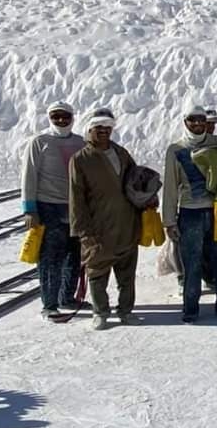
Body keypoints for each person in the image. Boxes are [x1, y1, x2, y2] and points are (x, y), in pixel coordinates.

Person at [162, 105, 217, 323]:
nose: (198, 123)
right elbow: (171, 187)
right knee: (191, 264)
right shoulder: (176, 149)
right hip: (189, 214)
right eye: (193, 120)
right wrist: (169, 220)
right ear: (185, 122)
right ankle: (190, 310)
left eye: (201, 119)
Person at [68, 108, 142, 330]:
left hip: (127, 223)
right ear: (90, 129)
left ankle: (126, 311)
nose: (103, 131)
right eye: (98, 127)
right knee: (97, 272)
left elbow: (135, 180)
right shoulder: (80, 159)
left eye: (107, 127)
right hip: (98, 227)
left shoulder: (121, 153)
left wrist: (147, 196)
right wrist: (83, 232)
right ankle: (100, 312)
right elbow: (76, 199)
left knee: (127, 273)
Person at [21, 101, 86, 321]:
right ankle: (49, 304)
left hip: (75, 207)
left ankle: (66, 297)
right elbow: (28, 176)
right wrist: (30, 209)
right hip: (48, 206)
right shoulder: (39, 142)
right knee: (50, 258)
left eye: (65, 116)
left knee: (74, 254)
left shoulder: (80, 143)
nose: (61, 120)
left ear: (72, 117)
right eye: (56, 116)